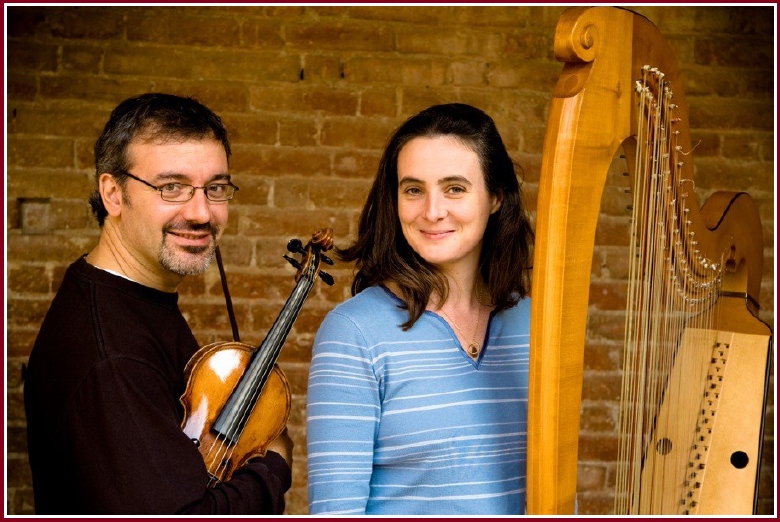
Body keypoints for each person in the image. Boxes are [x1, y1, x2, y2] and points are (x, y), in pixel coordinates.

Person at [23, 93, 293, 514]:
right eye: (172, 187)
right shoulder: (113, 357)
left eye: (216, 188)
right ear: (113, 193)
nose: (202, 212)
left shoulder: (134, 300)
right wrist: (273, 463)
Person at [306, 103, 534, 515]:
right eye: (413, 189)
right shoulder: (354, 331)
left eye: (455, 188)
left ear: (496, 196)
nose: (432, 211)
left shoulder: (535, 323)